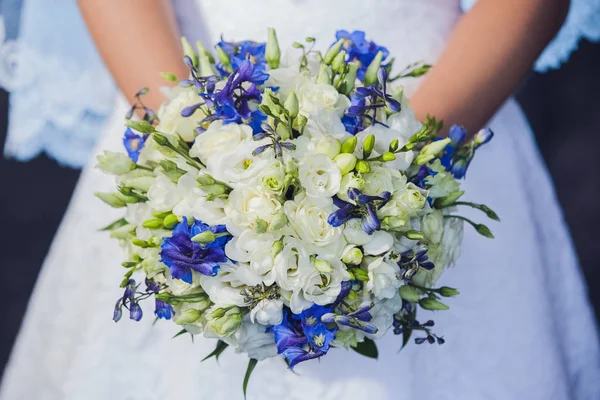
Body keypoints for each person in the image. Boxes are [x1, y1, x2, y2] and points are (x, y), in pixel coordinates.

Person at [2, 0, 600, 399]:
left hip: (443, 105)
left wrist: (398, 171)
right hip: (182, 102)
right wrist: (189, 155)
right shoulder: (186, 143)